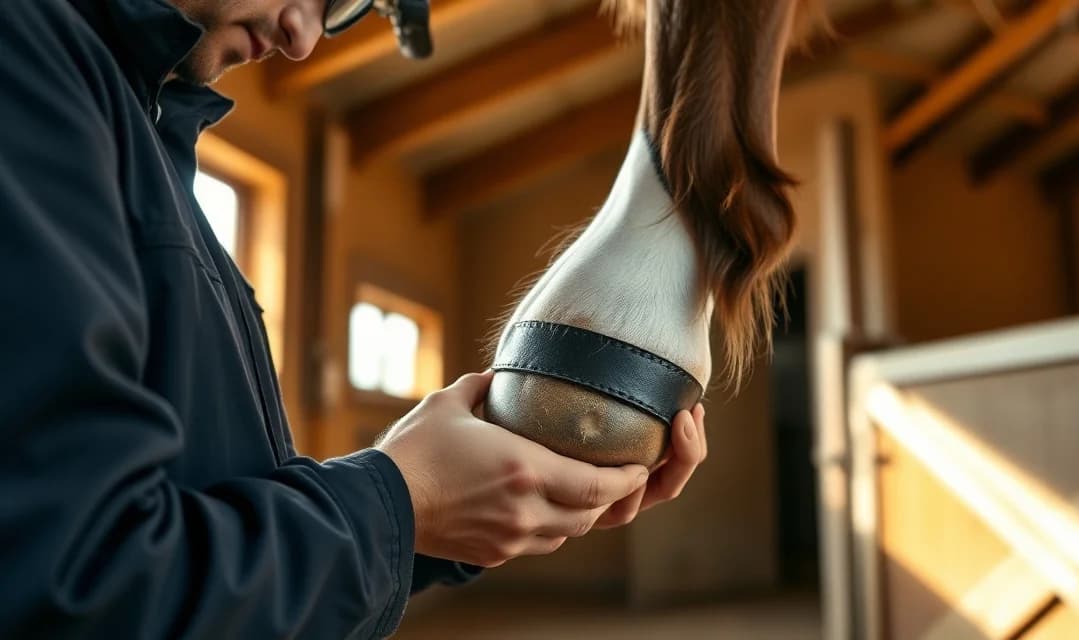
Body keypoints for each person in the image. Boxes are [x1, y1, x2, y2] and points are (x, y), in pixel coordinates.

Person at [0, 0, 708, 637]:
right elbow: (81, 591)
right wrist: (403, 498)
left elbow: (207, 509)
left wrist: (469, 492)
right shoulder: (27, 57)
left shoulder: (146, 132)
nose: (303, 37)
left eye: (338, 8)